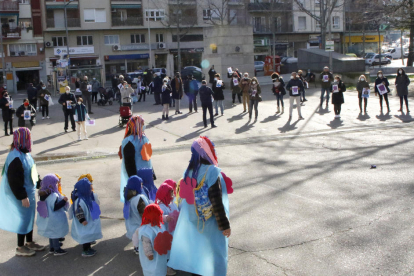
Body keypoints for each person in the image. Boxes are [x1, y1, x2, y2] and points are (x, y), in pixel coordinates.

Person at [168, 136, 231, 276]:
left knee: (198, 250)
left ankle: (197, 272)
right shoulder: (212, 171)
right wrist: (224, 225)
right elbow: (216, 200)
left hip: (193, 220)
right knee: (215, 251)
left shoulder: (189, 171)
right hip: (210, 221)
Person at [0, 128, 45, 256]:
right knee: (23, 219)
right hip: (21, 195)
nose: (30, 141)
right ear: (22, 139)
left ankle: (29, 242)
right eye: (28, 138)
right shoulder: (15, 157)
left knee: (29, 218)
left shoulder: (25, 153)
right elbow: (14, 180)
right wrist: (22, 196)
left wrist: (40, 184)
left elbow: (32, 171)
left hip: (28, 193)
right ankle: (20, 247)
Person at [119, 115, 155, 202]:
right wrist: (134, 179)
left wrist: (152, 173)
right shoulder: (129, 142)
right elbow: (129, 163)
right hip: (137, 175)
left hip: (147, 175)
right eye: (142, 124)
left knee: (148, 198)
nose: (144, 126)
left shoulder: (144, 138)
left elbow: (148, 158)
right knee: (138, 200)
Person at [36, 174, 69, 256]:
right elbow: (55, 207)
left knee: (51, 233)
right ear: (51, 184)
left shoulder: (43, 194)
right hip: (54, 218)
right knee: (55, 233)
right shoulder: (53, 195)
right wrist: (64, 201)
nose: (57, 185)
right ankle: (57, 249)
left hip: (48, 218)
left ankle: (52, 247)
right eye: (55, 183)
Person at [70, 178, 102, 257]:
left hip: (89, 221)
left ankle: (88, 248)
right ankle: (85, 250)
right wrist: (82, 220)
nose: (91, 190)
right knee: (86, 237)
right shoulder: (79, 201)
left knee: (88, 235)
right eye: (90, 188)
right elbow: (78, 212)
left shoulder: (88, 197)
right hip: (84, 223)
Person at [138, 204, 172, 276]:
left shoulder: (157, 222)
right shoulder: (146, 230)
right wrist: (149, 253)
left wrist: (166, 218)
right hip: (152, 256)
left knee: (160, 268)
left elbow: (161, 218)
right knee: (153, 271)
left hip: (160, 255)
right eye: (158, 215)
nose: (160, 217)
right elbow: (146, 243)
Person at [124, 176, 149, 254]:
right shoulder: (139, 198)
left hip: (132, 225)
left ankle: (136, 247)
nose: (142, 186)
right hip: (140, 225)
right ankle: (140, 248)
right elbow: (144, 213)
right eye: (141, 184)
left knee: (135, 236)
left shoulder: (128, 196)